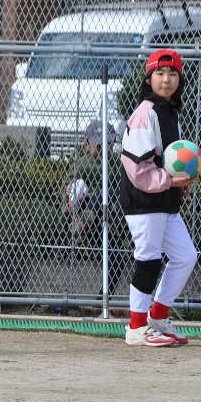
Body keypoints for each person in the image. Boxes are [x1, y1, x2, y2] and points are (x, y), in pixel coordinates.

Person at [119, 48, 197, 347]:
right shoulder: (145, 112)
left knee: (185, 256)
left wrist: (179, 183)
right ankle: (136, 327)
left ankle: (157, 317)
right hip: (144, 201)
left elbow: (169, 159)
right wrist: (169, 181)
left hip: (165, 200)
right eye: (160, 73)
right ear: (148, 79)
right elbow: (137, 168)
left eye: (173, 73)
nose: (167, 79)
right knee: (148, 259)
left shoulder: (170, 111)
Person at [67, 119, 126, 298]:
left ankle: (102, 300)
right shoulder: (81, 164)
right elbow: (69, 190)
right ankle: (83, 220)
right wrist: (70, 191)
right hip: (87, 218)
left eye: (108, 145)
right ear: (86, 145)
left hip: (107, 217)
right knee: (102, 193)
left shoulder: (117, 165)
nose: (104, 149)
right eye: (98, 146)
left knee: (117, 262)